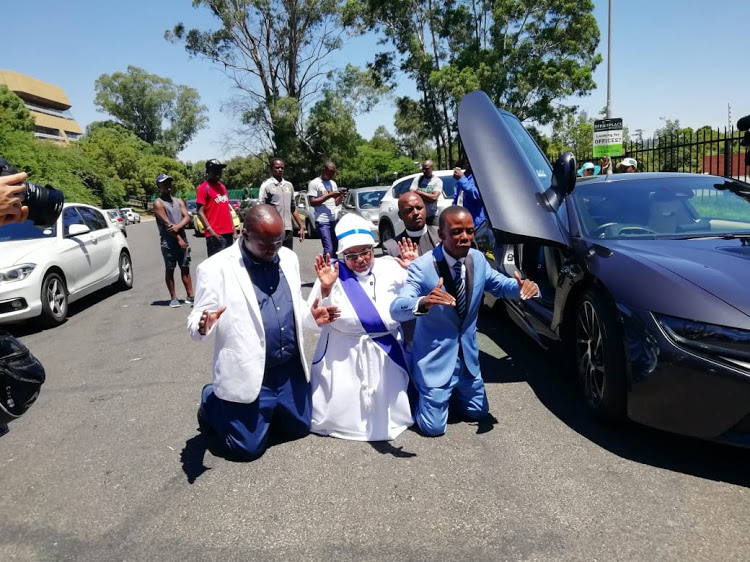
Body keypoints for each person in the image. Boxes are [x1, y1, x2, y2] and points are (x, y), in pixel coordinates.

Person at [188, 204, 340, 461]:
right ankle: (212, 400)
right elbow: (197, 320)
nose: (273, 251)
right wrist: (203, 325)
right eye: (265, 245)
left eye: (278, 243)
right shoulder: (215, 268)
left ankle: (270, 409)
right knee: (245, 450)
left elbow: (295, 307)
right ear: (244, 234)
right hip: (250, 372)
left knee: (300, 428)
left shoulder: (288, 259)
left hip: (289, 369)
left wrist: (312, 316)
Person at [390, 206, 539, 437]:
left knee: (478, 413)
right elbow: (397, 309)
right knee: (433, 429)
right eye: (457, 232)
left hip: (467, 361)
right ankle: (421, 393)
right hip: (435, 361)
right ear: (442, 234)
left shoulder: (477, 259)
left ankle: (450, 395)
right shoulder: (422, 267)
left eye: (469, 231)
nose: (465, 237)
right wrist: (424, 302)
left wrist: (524, 287)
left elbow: (499, 284)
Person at [307, 214, 414, 441]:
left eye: (365, 252)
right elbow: (313, 314)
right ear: (342, 255)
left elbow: (416, 301)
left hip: (386, 348)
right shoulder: (330, 272)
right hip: (343, 352)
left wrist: (413, 271)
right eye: (351, 255)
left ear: (373, 249)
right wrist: (325, 290)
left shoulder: (392, 266)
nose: (361, 260)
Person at [153, 174, 195, 308]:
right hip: (169, 242)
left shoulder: (179, 201)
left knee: (185, 267)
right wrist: (178, 239)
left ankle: (191, 295)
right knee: (170, 268)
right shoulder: (158, 203)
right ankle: (173, 298)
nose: (168, 185)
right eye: (164, 183)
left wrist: (179, 226)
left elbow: (187, 217)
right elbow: (167, 225)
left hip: (182, 238)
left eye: (169, 182)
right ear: (159, 186)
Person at [258, 158, 305, 249]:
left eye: (282, 168)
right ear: (271, 169)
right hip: (273, 229)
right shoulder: (266, 186)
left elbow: (293, 208)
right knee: (274, 256)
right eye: (277, 167)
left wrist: (301, 226)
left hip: (287, 229)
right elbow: (260, 209)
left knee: (288, 256)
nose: (280, 170)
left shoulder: (289, 185)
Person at [382, 191, 440, 259]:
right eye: (409, 210)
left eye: (419, 208)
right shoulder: (392, 248)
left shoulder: (442, 236)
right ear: (400, 215)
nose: (416, 213)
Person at [196, 159, 236, 257]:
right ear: (208, 172)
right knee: (216, 267)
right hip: (215, 235)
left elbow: (227, 209)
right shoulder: (203, 188)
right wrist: (211, 232)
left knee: (229, 264)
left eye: (219, 170)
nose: (218, 172)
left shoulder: (222, 187)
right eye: (214, 170)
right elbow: (200, 212)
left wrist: (234, 230)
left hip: (228, 233)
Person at [307, 162, 343, 258]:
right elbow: (312, 202)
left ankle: (334, 269)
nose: (331, 175)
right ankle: (325, 269)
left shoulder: (333, 184)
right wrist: (329, 195)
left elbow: (336, 203)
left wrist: (341, 195)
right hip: (322, 221)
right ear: (323, 170)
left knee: (336, 248)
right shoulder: (314, 183)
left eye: (333, 173)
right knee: (329, 249)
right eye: (329, 172)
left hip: (333, 220)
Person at [410, 160, 443, 226]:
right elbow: (412, 194)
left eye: (427, 169)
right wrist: (428, 197)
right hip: (419, 216)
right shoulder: (418, 179)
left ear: (432, 169)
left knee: (434, 235)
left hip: (432, 216)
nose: (424, 171)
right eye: (423, 169)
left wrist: (419, 193)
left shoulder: (437, 181)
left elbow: (434, 198)